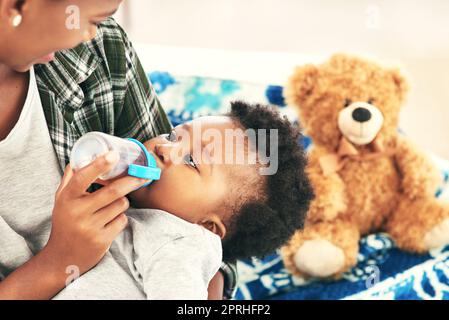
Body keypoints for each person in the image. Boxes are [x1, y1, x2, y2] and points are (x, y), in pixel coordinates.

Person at [0, 0, 233, 299]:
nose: (88, 36)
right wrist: (59, 262)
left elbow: (220, 211)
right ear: (16, 6)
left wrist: (203, 267)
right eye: (93, 20)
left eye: (190, 158)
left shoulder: (101, 53)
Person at [52, 101, 314, 299]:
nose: (164, 149)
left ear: (208, 226)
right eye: (173, 136)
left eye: (191, 161)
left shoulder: (183, 242)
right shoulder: (134, 212)